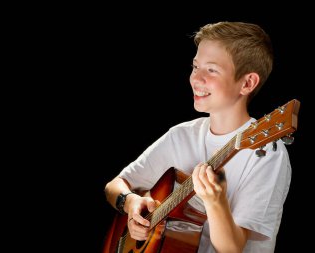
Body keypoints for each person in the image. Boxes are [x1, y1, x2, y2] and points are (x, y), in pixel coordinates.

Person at [104, 21, 291, 253]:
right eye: (195, 67)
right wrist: (130, 203)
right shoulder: (181, 135)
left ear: (247, 83)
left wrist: (216, 201)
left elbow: (232, 249)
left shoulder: (266, 152)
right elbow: (114, 186)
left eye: (211, 70)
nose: (196, 79)